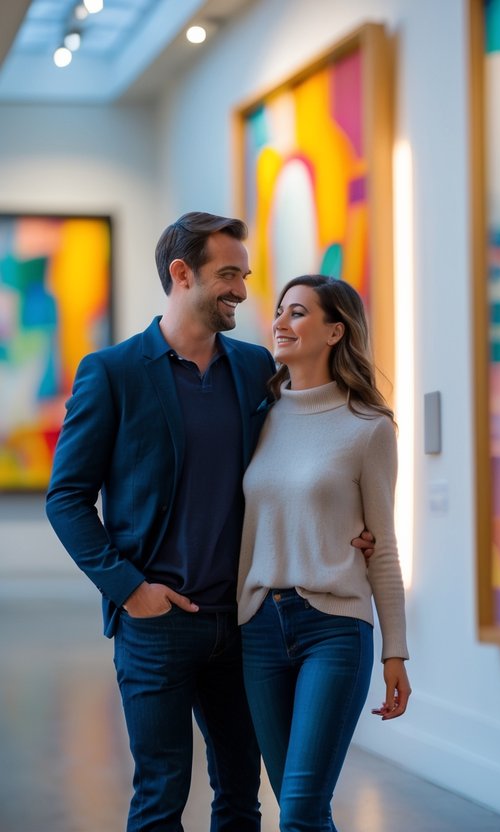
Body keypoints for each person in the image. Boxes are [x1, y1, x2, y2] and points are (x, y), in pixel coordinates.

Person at [45, 212, 375, 832]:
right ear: (182, 273)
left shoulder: (256, 369)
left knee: (241, 796)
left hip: (246, 624)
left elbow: (302, 459)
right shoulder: (112, 372)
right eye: (229, 275)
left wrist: (347, 523)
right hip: (156, 624)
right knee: (160, 796)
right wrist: (130, 590)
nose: (243, 291)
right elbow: (65, 498)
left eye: (244, 275)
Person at [236, 274, 410, 830]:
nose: (280, 323)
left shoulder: (369, 428)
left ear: (336, 331)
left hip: (334, 628)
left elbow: (383, 548)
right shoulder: (257, 417)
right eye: (280, 311)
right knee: (301, 811)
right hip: (259, 627)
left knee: (300, 811)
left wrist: (395, 652)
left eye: (298, 313)